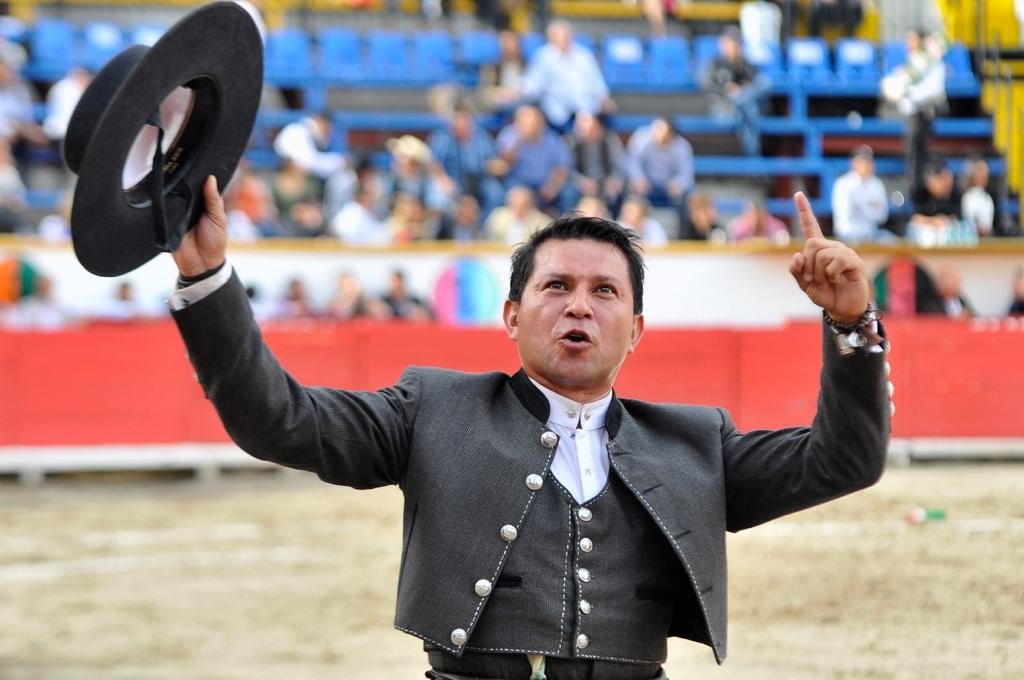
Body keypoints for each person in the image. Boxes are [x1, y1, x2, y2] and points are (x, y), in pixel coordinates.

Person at [167, 177, 889, 676]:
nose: (579, 306)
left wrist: (852, 325)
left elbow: (845, 462)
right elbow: (279, 419)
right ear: (512, 316)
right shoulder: (431, 410)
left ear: (636, 330)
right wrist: (208, 281)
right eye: (556, 286)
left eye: (604, 291)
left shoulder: (697, 445)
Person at [880, 29, 946, 195]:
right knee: (912, 154)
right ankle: (915, 187)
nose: (909, 43)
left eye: (913, 39)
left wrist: (909, 94)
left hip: (924, 114)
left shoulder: (932, 63)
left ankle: (923, 189)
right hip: (911, 115)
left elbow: (933, 90)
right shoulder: (910, 64)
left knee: (921, 153)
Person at [518, 20, 615, 132]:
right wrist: (516, 92)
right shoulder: (543, 57)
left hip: (585, 110)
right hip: (555, 112)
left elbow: (597, 83)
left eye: (565, 36)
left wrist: (604, 99)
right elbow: (532, 85)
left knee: (594, 123)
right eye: (558, 37)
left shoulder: (584, 55)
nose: (562, 40)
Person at [704, 26, 771, 156]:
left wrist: (742, 89)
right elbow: (708, 86)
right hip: (725, 108)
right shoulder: (715, 63)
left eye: (735, 43)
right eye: (730, 42)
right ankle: (752, 157)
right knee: (750, 110)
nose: (732, 46)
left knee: (763, 85)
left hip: (743, 106)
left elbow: (758, 83)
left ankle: (751, 157)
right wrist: (726, 88)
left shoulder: (745, 63)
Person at [496, 104, 574, 214]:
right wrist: (520, 140)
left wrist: (553, 185)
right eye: (525, 121)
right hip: (519, 181)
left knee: (569, 192)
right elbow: (504, 165)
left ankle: (566, 222)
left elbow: (563, 166)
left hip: (546, 182)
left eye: (534, 121)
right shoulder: (508, 135)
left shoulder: (552, 138)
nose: (531, 124)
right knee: (515, 193)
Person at [625, 117, 695, 224]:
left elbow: (686, 172)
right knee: (630, 193)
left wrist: (678, 183)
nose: (656, 133)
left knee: (688, 196)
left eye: (661, 130)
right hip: (646, 185)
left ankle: (683, 229)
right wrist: (639, 178)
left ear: (671, 134)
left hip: (669, 187)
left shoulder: (682, 146)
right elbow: (633, 163)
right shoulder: (642, 138)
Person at [564, 112, 629, 217]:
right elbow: (566, 169)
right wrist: (581, 181)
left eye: (590, 127)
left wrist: (614, 179)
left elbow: (620, 164)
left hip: (604, 181)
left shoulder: (610, 140)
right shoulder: (570, 141)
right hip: (579, 183)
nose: (586, 131)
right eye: (581, 127)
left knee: (620, 192)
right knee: (568, 193)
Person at [831, 145, 891, 244]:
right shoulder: (843, 184)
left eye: (869, 161)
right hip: (848, 234)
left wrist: (862, 207)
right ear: (854, 163)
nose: (867, 165)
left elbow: (882, 216)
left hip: (871, 233)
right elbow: (845, 216)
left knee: (891, 241)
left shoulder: (877, 184)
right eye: (863, 161)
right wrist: (870, 207)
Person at [960, 156, 995, 237]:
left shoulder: (988, 198)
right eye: (980, 171)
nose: (984, 175)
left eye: (985, 172)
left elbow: (990, 225)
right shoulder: (966, 197)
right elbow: (967, 222)